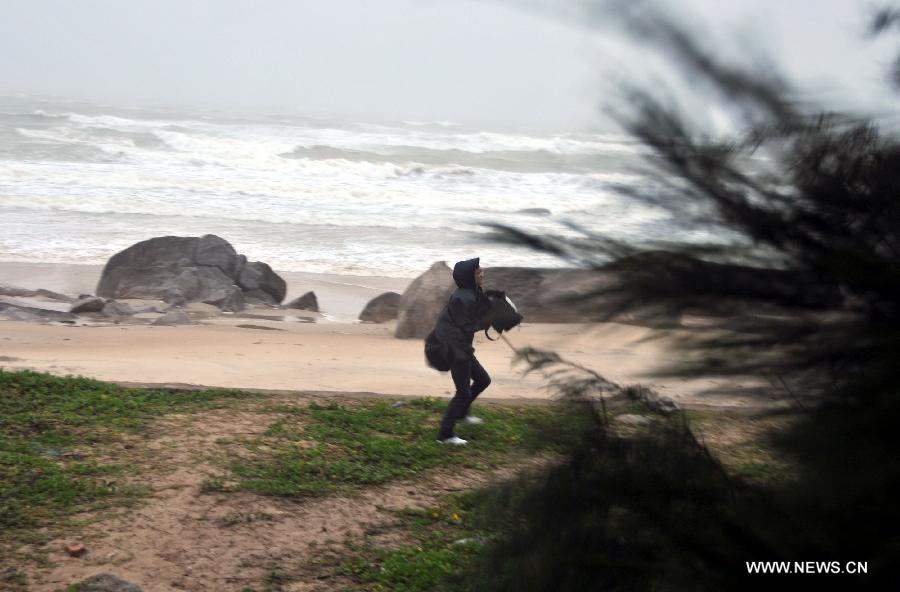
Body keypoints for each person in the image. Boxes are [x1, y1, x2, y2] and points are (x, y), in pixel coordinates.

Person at [431, 257, 492, 445]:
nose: (482, 273)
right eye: (478, 271)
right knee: (463, 392)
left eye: (481, 270)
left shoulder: (470, 292)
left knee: (483, 380)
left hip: (461, 347)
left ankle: (462, 414)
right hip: (454, 348)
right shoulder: (463, 297)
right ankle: (445, 434)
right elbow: (466, 325)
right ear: (468, 277)